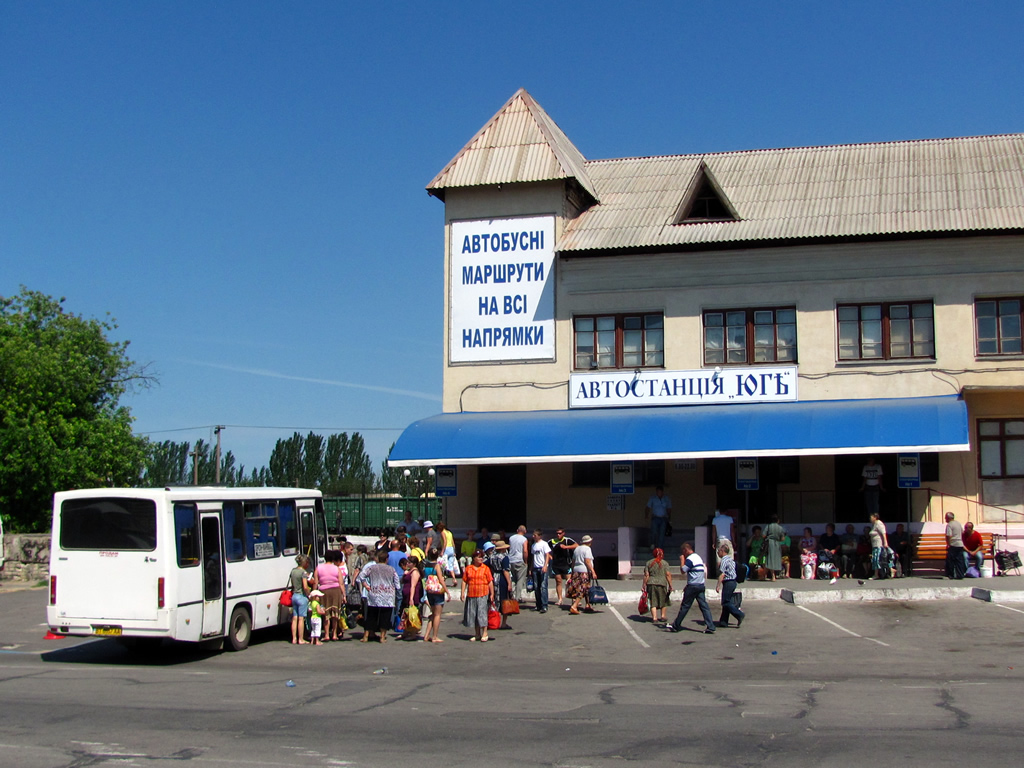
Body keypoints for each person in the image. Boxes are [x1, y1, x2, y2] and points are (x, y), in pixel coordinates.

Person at [668, 542, 716, 634]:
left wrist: (682, 560)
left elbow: (683, 570)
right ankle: (711, 626)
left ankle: (676, 625)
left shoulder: (690, 559)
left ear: (685, 550)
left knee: (685, 606)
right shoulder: (698, 557)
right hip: (701, 585)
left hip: (693, 586)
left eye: (683, 552)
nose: (683, 554)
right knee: (704, 606)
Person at [357, 549, 401, 643]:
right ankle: (382, 636)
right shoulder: (391, 569)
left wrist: (366, 585)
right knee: (385, 616)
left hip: (374, 593)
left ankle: (366, 636)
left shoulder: (372, 568)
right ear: (386, 559)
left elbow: (361, 576)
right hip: (388, 595)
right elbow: (397, 584)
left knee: (371, 615)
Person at [313, 550, 347, 642]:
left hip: (324, 591)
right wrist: (344, 595)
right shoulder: (336, 568)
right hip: (336, 591)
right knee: (335, 613)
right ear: (333, 559)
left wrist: (314, 592)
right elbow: (341, 583)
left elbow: (316, 582)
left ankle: (327, 634)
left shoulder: (319, 568)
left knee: (326, 613)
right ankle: (335, 634)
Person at [461, 549, 495, 641]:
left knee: (482, 613)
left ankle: (485, 633)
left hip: (482, 593)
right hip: (472, 594)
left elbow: (490, 581)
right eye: (479, 557)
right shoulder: (469, 568)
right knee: (474, 614)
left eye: (482, 557)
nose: (481, 559)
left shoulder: (485, 568)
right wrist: (462, 593)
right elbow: (464, 581)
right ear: (474, 558)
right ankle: (477, 634)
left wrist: (492, 594)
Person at [421, 547, 449, 643]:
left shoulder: (426, 565)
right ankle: (435, 636)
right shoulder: (437, 566)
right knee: (437, 615)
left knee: (432, 614)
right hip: (437, 591)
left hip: (429, 590)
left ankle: (426, 635)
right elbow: (441, 580)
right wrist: (447, 591)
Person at [715, 542, 745, 629]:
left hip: (728, 582)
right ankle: (723, 621)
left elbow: (722, 574)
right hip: (733, 582)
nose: (718, 553)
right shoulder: (731, 559)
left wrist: (718, 585)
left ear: (722, 551)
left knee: (725, 602)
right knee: (727, 601)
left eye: (718, 551)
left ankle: (739, 614)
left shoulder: (724, 560)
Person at [567, 534, 597, 615]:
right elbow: (587, 561)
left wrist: (572, 571)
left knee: (585, 588)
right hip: (584, 571)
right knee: (583, 589)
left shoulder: (577, 549)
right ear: (589, 542)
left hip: (576, 570)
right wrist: (593, 571)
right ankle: (574, 605)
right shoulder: (587, 549)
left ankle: (588, 605)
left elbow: (573, 561)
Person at [642, 547, 673, 625]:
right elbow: (668, 574)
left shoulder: (649, 563)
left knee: (653, 600)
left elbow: (646, 575)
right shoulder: (665, 563)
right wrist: (670, 585)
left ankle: (654, 618)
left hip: (651, 583)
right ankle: (663, 616)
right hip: (662, 583)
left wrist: (644, 585)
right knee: (664, 600)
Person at [548, 528, 578, 606]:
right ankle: (560, 599)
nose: (558, 535)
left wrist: (566, 547)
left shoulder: (567, 540)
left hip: (566, 564)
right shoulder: (552, 541)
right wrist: (550, 556)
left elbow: (576, 545)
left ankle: (574, 599)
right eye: (557, 533)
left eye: (560, 533)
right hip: (556, 565)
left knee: (569, 582)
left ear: (563, 533)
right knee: (558, 581)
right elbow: (545, 550)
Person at [488, 540, 514, 629]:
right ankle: (503, 622)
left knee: (494, 599)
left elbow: (485, 564)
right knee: (504, 599)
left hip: (494, 577)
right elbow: (505, 571)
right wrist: (509, 583)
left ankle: (495, 619)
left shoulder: (492, 557)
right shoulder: (504, 557)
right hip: (502, 579)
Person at [288, 555, 311, 645]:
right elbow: (305, 587)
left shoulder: (293, 571)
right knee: (301, 619)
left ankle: (294, 638)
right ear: (304, 562)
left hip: (294, 596)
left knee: (294, 618)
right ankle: (300, 639)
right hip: (301, 596)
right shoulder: (303, 572)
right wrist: (309, 594)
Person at [399, 557, 423, 640]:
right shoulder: (409, 571)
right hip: (406, 595)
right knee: (406, 614)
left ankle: (413, 634)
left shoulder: (415, 572)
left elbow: (413, 586)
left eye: (409, 562)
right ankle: (405, 632)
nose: (407, 564)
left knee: (412, 615)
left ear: (414, 564)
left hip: (412, 595)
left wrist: (411, 598)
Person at [531, 529, 552, 613]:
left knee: (543, 586)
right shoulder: (533, 545)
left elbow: (547, 555)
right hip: (535, 568)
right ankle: (538, 605)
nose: (533, 536)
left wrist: (545, 565)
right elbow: (532, 557)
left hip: (542, 567)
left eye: (535, 535)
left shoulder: (544, 544)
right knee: (536, 587)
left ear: (539, 536)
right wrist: (531, 568)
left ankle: (544, 605)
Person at [645, 485, 672, 551]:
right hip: (655, 517)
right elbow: (648, 507)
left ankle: (660, 548)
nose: (659, 493)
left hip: (663, 518)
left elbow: (669, 508)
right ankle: (653, 544)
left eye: (660, 492)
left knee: (662, 533)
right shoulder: (653, 498)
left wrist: (669, 517)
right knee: (654, 532)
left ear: (662, 492)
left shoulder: (666, 499)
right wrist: (646, 515)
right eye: (658, 492)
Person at [508, 525, 530, 603]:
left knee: (513, 578)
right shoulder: (524, 539)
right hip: (520, 560)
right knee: (520, 579)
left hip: (511, 560)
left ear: (517, 530)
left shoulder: (511, 538)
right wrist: (526, 561)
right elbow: (525, 551)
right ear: (525, 531)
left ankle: (511, 593)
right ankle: (517, 598)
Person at [764, 515, 787, 582]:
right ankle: (773, 575)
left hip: (769, 543)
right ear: (778, 520)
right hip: (777, 544)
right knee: (776, 559)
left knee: (770, 560)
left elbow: (763, 535)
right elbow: (783, 539)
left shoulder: (768, 526)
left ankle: (772, 576)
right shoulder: (780, 528)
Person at [945, 512, 966, 579]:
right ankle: (960, 575)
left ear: (949, 518)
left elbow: (949, 535)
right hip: (960, 544)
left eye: (946, 517)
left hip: (953, 544)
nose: (945, 519)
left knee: (951, 560)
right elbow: (962, 532)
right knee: (959, 560)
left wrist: (948, 544)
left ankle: (951, 575)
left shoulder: (949, 525)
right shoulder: (958, 523)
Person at [869, 513, 889, 579]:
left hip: (878, 545)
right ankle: (877, 574)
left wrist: (885, 542)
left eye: (871, 517)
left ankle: (877, 574)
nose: (870, 518)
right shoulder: (874, 524)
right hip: (874, 545)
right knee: (875, 559)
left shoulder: (879, 523)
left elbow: (883, 533)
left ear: (875, 517)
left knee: (877, 559)